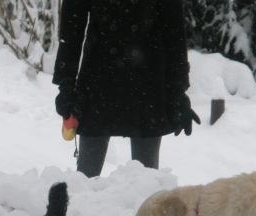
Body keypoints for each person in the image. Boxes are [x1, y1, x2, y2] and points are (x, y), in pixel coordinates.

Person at [53, 0, 200, 176]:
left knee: (146, 186)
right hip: (99, 84)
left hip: (145, 87)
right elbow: (71, 30)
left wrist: (178, 91)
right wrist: (66, 85)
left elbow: (174, 33)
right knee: (85, 182)